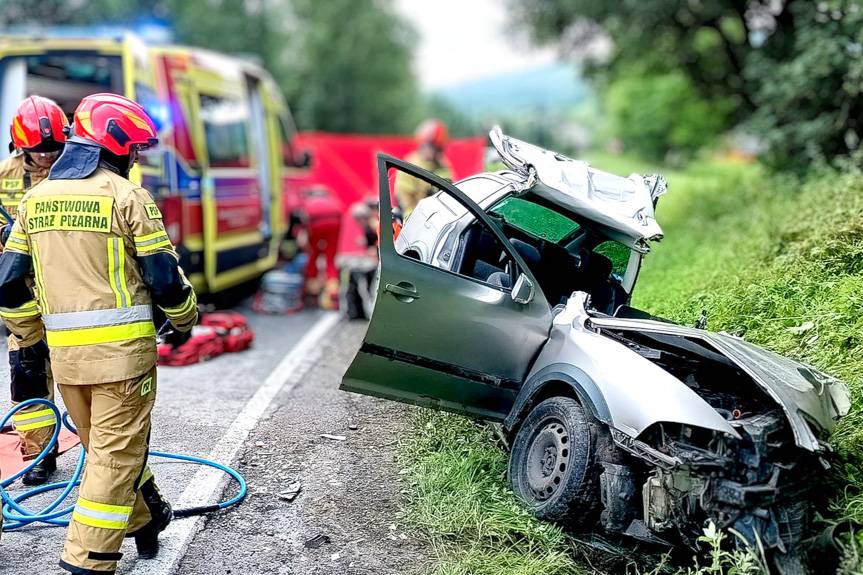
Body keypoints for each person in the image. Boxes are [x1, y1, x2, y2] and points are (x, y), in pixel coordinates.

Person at [0, 93, 198, 574]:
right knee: (113, 457)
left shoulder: (35, 200)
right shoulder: (129, 197)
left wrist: (33, 331)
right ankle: (86, 560)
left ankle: (148, 520)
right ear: (116, 147)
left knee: (108, 449)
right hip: (122, 360)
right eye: (133, 149)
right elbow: (165, 278)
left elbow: (6, 283)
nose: (134, 159)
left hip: (65, 359)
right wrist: (186, 319)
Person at [0, 95, 67, 486]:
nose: (47, 157)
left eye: (55, 148)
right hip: (21, 296)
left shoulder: (77, 174)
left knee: (84, 373)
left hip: (68, 290)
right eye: (39, 150)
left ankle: (104, 453)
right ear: (21, 146)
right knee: (27, 373)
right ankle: (40, 454)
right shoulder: (4, 177)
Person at [393, 119, 453, 220]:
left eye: (441, 148)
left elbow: (451, 191)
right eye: (437, 148)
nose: (440, 152)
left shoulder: (442, 165)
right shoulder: (409, 166)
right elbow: (405, 202)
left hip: (441, 219)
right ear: (424, 145)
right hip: (416, 221)